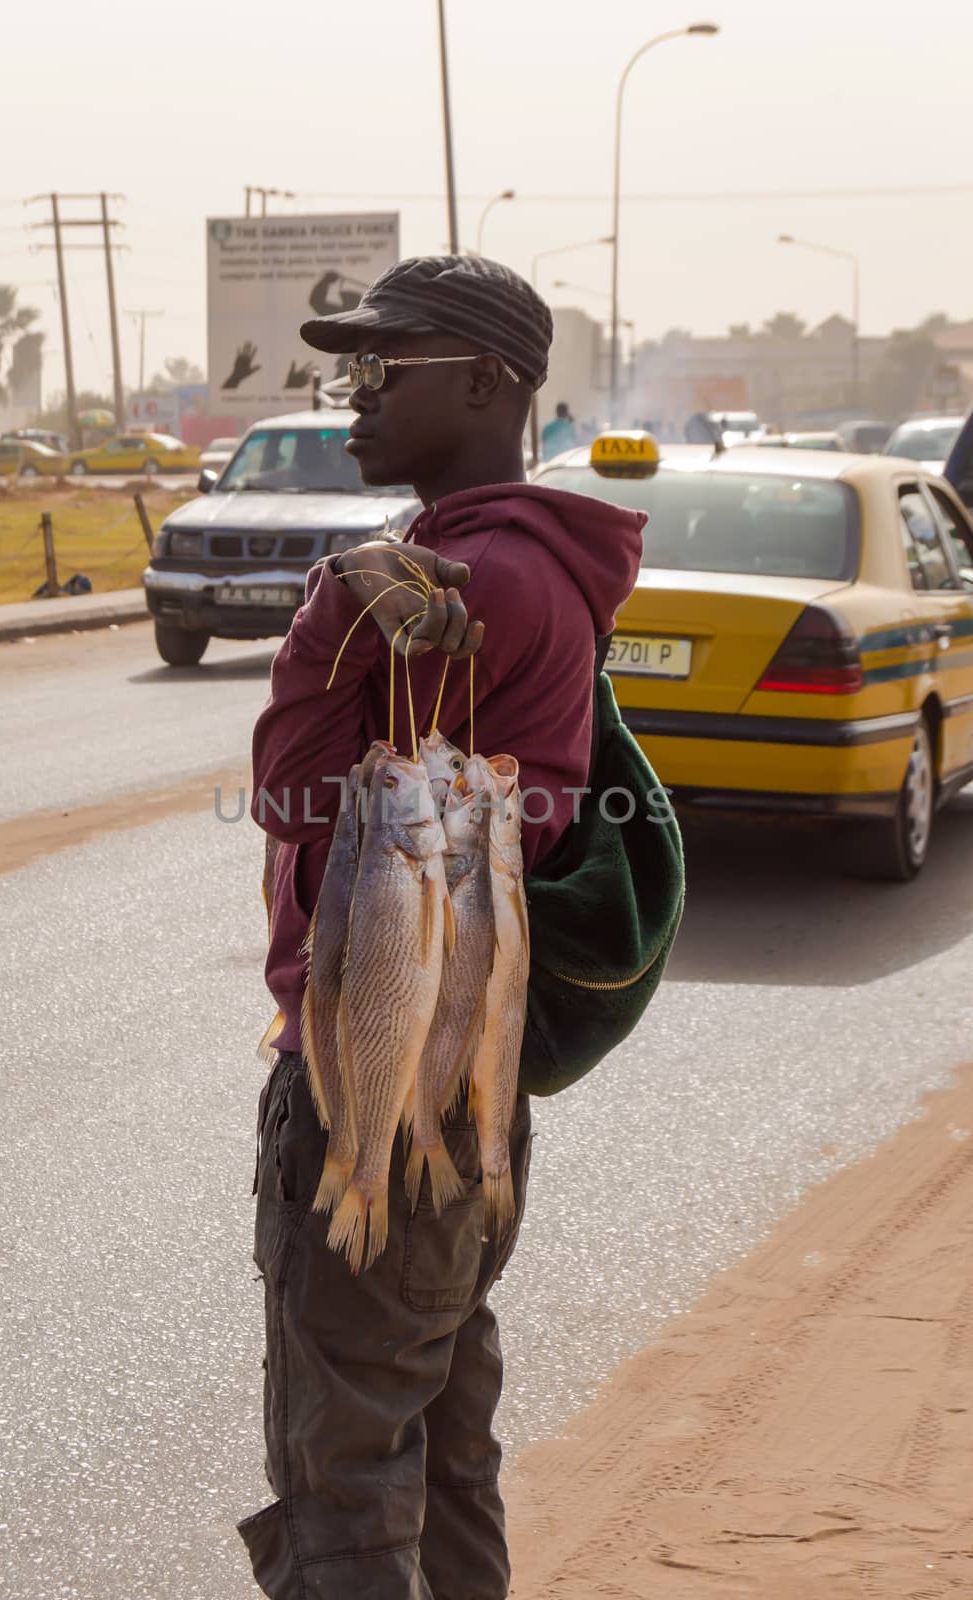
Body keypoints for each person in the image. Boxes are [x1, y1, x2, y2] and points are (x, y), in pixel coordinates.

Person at [238, 254, 645, 1600]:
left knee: (344, 1475)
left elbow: (294, 799)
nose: (348, 398)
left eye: (377, 370)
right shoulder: (536, 566)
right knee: (442, 1439)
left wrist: (323, 618)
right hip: (463, 1072)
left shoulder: (449, 581)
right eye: (342, 370)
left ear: (484, 383)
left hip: (380, 1069)